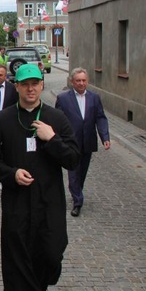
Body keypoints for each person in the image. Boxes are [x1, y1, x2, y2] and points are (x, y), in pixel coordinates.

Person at [0, 64, 80, 291]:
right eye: (25, 84)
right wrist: (10, 174)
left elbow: (72, 158)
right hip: (17, 200)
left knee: (51, 252)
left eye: (35, 83)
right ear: (17, 87)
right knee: (18, 254)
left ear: (41, 84)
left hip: (50, 200)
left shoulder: (56, 118)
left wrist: (52, 139)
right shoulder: (3, 119)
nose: (31, 88)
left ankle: (38, 288)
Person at [55, 68, 110, 217]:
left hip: (88, 141)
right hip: (70, 143)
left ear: (87, 81)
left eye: (83, 80)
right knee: (73, 172)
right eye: (78, 80)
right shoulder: (63, 99)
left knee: (82, 173)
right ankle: (78, 201)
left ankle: (77, 191)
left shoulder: (94, 98)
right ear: (72, 82)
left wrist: (105, 137)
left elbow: (100, 118)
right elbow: (58, 120)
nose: (81, 83)